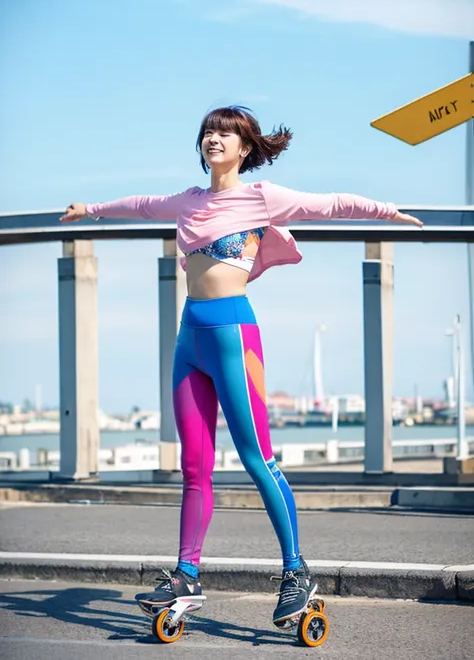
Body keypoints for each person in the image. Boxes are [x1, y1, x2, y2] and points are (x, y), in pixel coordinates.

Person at [61, 105, 422, 626]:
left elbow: (332, 204)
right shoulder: (188, 200)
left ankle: (296, 572)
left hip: (234, 335)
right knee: (194, 466)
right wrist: (90, 209)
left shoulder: (261, 197)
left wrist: (389, 213)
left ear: (245, 148)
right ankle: (186, 574)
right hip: (190, 338)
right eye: (208, 132)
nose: (214, 139)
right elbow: (141, 205)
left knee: (258, 459)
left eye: (225, 134)